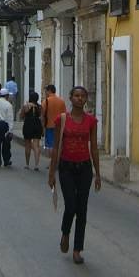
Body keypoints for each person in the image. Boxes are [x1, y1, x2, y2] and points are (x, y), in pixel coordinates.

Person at [47, 86, 101, 264]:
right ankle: (65, 232)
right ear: (70, 98)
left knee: (82, 209)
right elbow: (56, 147)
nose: (80, 98)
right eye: (76, 95)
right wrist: (51, 173)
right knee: (70, 206)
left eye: (83, 96)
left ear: (86, 99)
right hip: (66, 167)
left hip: (84, 168)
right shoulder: (62, 119)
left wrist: (97, 173)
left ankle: (78, 249)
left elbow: (94, 148)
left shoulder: (91, 121)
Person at [20, 91, 44, 170]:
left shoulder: (26, 106)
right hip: (37, 125)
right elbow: (42, 118)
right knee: (36, 145)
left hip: (28, 125)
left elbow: (21, 116)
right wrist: (43, 129)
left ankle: (27, 164)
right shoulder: (40, 107)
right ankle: (36, 165)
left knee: (27, 145)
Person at [42, 84, 66, 154]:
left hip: (49, 126)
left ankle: (52, 160)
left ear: (49, 91)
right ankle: (57, 159)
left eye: (46, 91)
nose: (45, 93)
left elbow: (42, 116)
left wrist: (42, 127)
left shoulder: (46, 101)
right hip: (59, 126)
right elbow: (64, 114)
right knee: (58, 145)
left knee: (50, 146)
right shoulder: (61, 101)